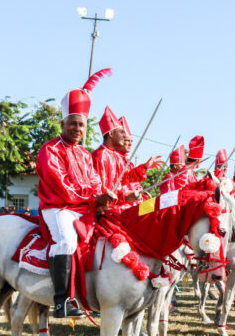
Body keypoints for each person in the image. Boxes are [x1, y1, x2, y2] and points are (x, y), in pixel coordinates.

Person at [36, 71, 114, 318]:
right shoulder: (50, 150)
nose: (77, 128)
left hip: (83, 208)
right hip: (57, 208)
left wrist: (103, 197)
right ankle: (62, 302)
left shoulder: (83, 153)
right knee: (66, 242)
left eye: (81, 124)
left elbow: (93, 182)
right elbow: (61, 186)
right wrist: (93, 199)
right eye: (73, 123)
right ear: (62, 124)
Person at [93, 107, 161, 212]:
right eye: (122, 133)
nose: (125, 137)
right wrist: (125, 197)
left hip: (124, 204)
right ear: (111, 134)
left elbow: (126, 178)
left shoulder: (115, 156)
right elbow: (102, 191)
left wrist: (145, 167)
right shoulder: (100, 155)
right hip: (112, 209)